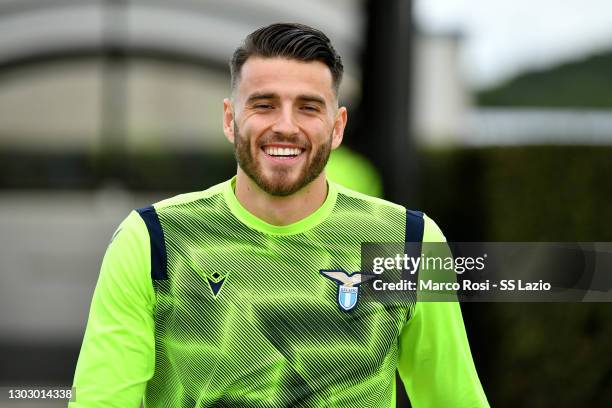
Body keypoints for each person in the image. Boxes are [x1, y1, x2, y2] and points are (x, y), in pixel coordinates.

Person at [70, 23, 488, 407]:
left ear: (337, 126)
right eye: (264, 105)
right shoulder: (150, 240)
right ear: (230, 120)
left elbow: (453, 400)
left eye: (308, 107)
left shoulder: (410, 241)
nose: (285, 125)